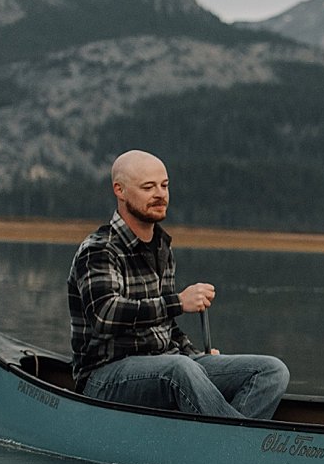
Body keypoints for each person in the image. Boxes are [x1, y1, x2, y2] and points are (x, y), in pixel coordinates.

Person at [67, 149, 288, 418]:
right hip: (105, 376)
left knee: (271, 371)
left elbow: (166, 327)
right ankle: (237, 448)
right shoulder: (99, 249)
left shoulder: (162, 248)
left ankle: (224, 443)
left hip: (169, 365)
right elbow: (105, 315)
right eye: (148, 187)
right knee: (181, 369)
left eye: (164, 185)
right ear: (120, 191)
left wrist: (197, 353)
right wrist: (179, 302)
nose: (160, 194)